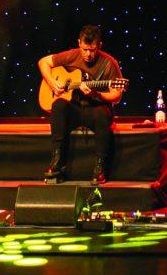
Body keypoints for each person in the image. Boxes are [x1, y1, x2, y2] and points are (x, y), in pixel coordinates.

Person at [37, 24, 124, 184]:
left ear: (99, 46)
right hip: (75, 108)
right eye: (85, 49)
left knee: (102, 114)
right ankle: (56, 161)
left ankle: (100, 167)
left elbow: (117, 95)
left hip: (95, 109)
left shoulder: (109, 63)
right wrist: (51, 83)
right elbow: (43, 62)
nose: (88, 54)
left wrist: (96, 94)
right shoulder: (72, 55)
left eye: (92, 50)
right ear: (79, 43)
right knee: (58, 105)